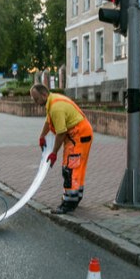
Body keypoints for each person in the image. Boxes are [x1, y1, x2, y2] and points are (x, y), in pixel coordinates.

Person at [30, 83, 93, 214]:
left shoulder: (55, 107)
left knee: (70, 169)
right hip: (79, 134)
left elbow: (61, 132)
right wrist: (42, 135)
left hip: (78, 136)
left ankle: (69, 204)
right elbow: (49, 121)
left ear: (44, 95)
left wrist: (54, 153)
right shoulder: (52, 101)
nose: (35, 102)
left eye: (36, 99)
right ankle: (75, 197)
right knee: (75, 167)